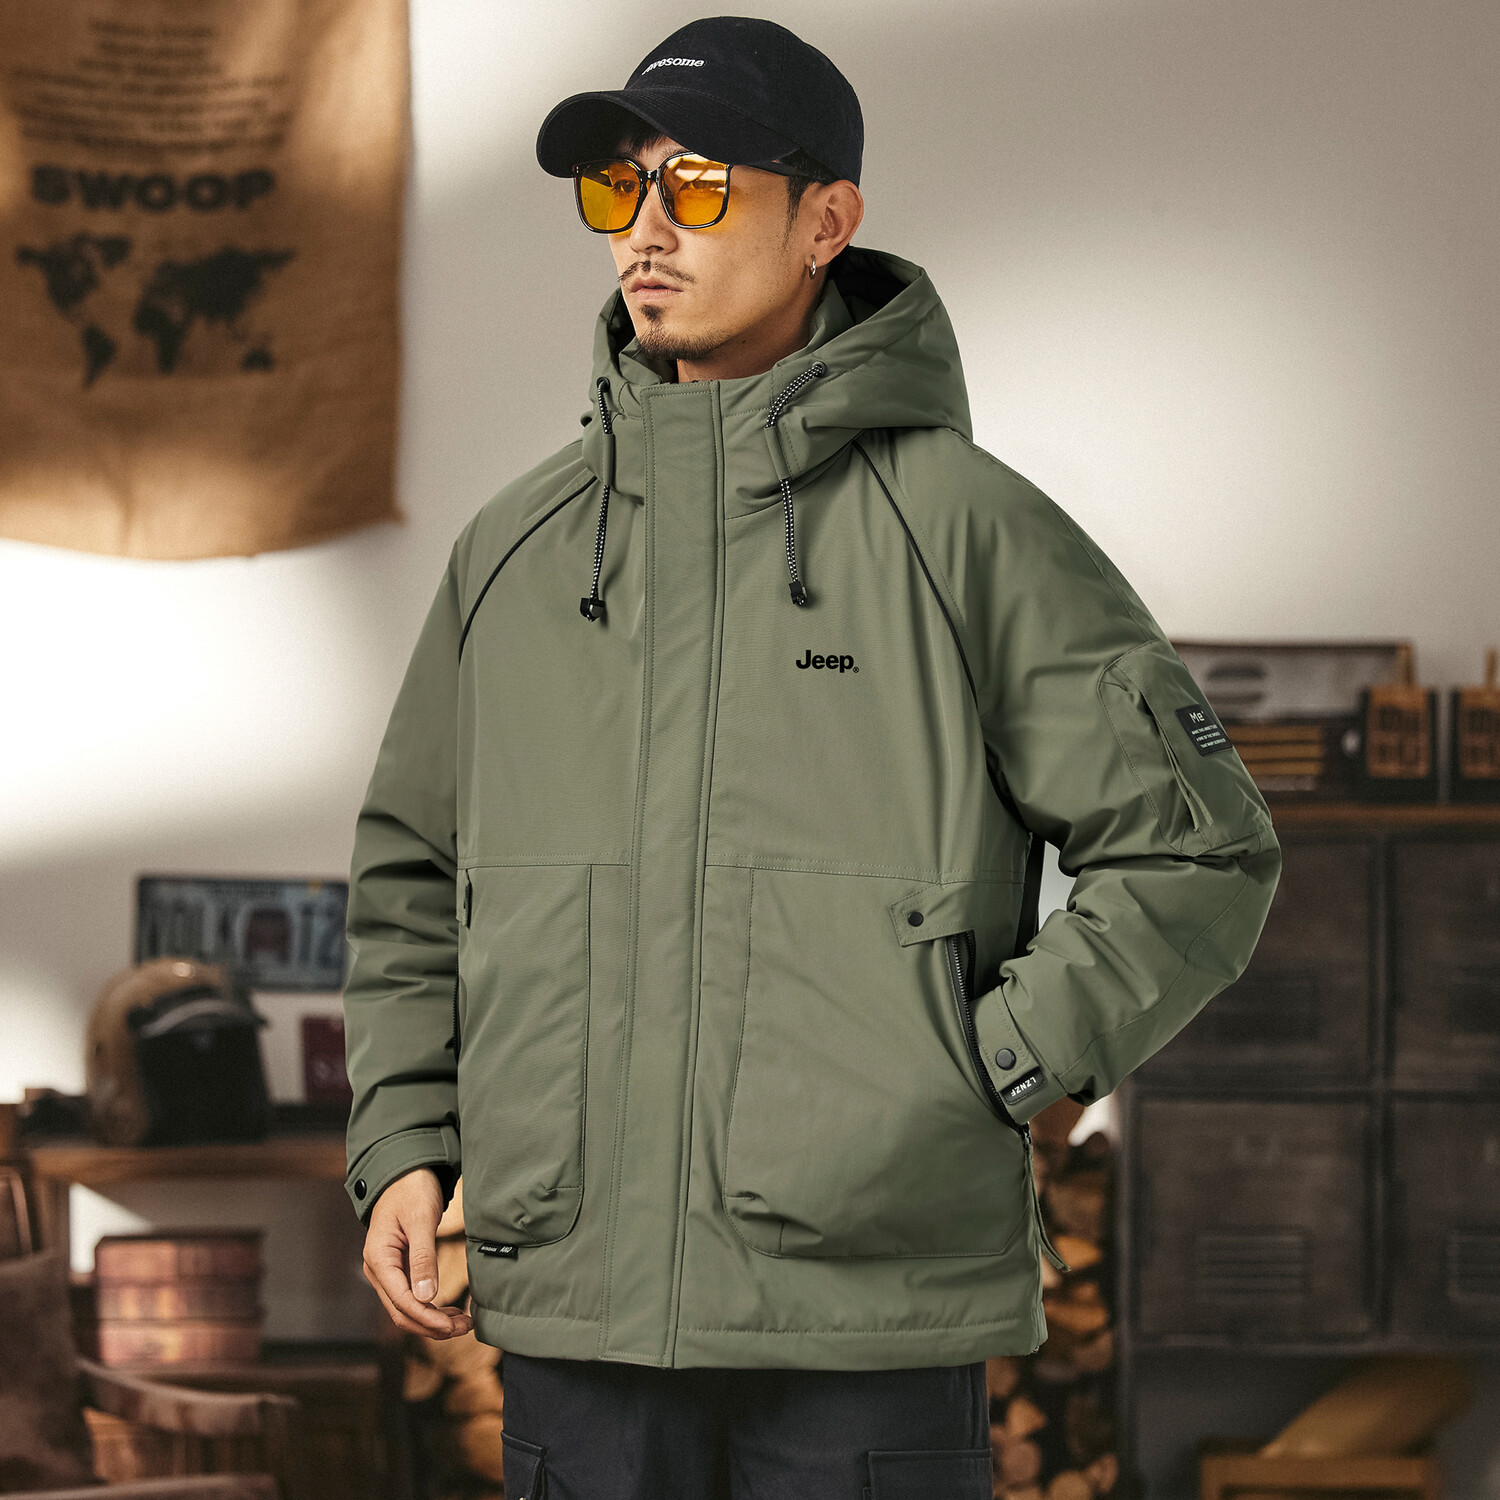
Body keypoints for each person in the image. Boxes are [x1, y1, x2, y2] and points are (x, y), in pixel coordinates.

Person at [341, 15, 1282, 1498]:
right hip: (578, 1310)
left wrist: (978, 1069)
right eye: (619, 187)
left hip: (866, 1321)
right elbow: (413, 876)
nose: (646, 230)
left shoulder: (968, 529)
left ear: (827, 222)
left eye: (701, 186)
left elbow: (1198, 850)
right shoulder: (515, 551)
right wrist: (404, 1137)